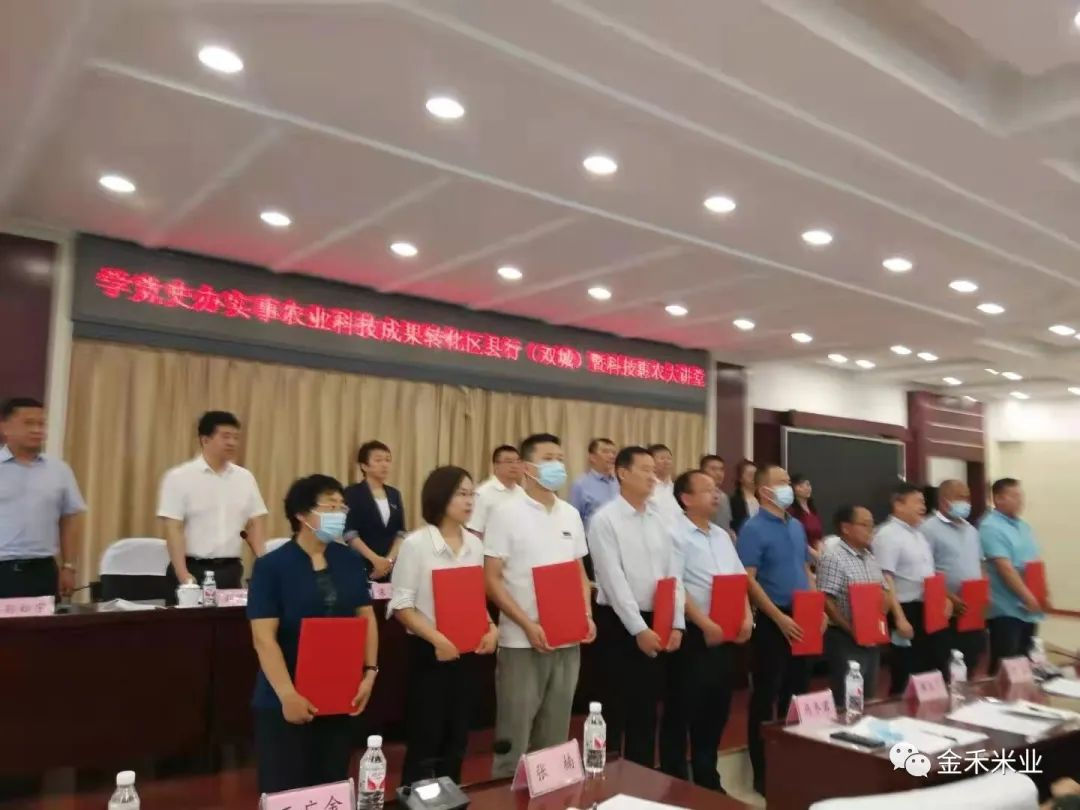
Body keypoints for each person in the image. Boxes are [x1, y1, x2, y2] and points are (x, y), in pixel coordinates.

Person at [247, 474, 379, 794]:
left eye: (341, 507)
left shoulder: (349, 561)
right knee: (287, 790)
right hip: (285, 698)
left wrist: (370, 672)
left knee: (330, 785)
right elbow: (264, 638)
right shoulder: (271, 566)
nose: (339, 513)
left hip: (339, 693)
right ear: (302, 515)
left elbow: (366, 618)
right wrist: (287, 695)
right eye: (329, 506)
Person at [483, 434, 595, 778]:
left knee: (555, 734)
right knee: (514, 735)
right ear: (527, 467)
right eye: (548, 458)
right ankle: (505, 796)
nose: (557, 465)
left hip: (567, 638)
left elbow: (579, 572)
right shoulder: (505, 513)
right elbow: (491, 579)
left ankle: (550, 798)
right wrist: (527, 625)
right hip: (522, 641)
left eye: (560, 458)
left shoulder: (570, 514)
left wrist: (587, 615)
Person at [390, 466, 498, 785]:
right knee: (426, 736)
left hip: (467, 651)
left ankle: (450, 796)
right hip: (429, 652)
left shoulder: (475, 545)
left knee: (458, 736)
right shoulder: (416, 544)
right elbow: (401, 605)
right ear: (440, 497)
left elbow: (475, 598)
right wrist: (437, 639)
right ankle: (416, 799)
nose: (469, 501)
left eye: (472, 494)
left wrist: (491, 626)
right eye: (461, 494)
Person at [588, 446, 684, 769]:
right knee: (614, 710)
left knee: (646, 712)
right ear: (622, 473)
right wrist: (638, 629)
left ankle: (641, 784)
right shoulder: (605, 520)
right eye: (645, 469)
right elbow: (613, 581)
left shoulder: (661, 519)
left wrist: (677, 622)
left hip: (658, 621)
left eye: (653, 470)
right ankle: (605, 786)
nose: (652, 476)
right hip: (619, 624)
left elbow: (674, 573)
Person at [663, 470, 752, 791]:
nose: (716, 495)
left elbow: (739, 579)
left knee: (717, 708)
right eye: (707, 490)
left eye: (716, 489)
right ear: (686, 498)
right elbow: (675, 585)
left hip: (726, 632)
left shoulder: (722, 536)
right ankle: (674, 781)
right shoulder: (674, 534)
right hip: (692, 633)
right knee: (683, 708)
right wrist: (704, 623)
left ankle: (707, 777)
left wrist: (746, 617)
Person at [735, 464, 816, 796]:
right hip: (772, 619)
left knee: (798, 693)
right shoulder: (752, 528)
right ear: (764, 490)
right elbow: (748, 579)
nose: (789, 487)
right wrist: (778, 617)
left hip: (803, 615)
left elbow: (805, 568)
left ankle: (792, 765)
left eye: (789, 481)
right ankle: (763, 773)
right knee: (766, 694)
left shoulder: (795, 526)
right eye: (782, 482)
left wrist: (815, 605)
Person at [158, 411, 267, 601]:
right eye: (225, 436)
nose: (232, 442)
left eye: (236, 437)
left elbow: (253, 524)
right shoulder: (178, 477)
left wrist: (265, 565)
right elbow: (174, 529)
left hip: (230, 571)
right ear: (205, 440)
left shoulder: (245, 478)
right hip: (191, 569)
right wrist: (183, 575)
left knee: (229, 620)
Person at [818, 505, 911, 708]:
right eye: (865, 525)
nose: (871, 530)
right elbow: (826, 599)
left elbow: (884, 589)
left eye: (872, 525)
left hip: (872, 635)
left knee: (868, 696)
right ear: (846, 528)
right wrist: (851, 630)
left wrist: (885, 601)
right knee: (848, 698)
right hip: (845, 637)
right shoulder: (833, 557)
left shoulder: (870, 557)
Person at [0, 397, 85, 599]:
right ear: (5, 427)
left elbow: (68, 520)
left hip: (43, 570)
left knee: (45, 620)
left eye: (41, 424)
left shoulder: (59, 470)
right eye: (29, 423)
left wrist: (68, 567)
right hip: (3, 567)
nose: (37, 430)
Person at [873, 482, 952, 695]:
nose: (923, 507)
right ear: (898, 504)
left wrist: (943, 599)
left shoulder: (918, 534)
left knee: (935, 666)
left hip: (929, 608)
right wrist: (899, 618)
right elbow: (885, 579)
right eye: (917, 502)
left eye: (924, 502)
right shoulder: (887, 535)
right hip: (906, 609)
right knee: (907, 671)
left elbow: (928, 573)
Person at [980, 478, 1046, 674]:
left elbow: (1034, 562)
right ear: (999, 499)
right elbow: (1005, 568)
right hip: (1006, 609)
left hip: (1029, 608)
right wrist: (1027, 596)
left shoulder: (1023, 526)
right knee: (1005, 665)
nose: (1021, 500)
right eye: (1015, 496)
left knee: (1025, 664)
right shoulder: (990, 527)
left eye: (1021, 495)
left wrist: (1043, 594)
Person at [921, 479, 986, 676]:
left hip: (972, 608)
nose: (966, 502)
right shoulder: (928, 528)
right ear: (944, 500)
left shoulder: (971, 530)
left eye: (967, 497)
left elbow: (979, 564)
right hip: (945, 608)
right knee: (946, 664)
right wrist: (948, 596)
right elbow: (925, 570)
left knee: (971, 660)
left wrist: (984, 595)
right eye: (960, 497)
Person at [343, 440, 406, 581]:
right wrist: (376, 560)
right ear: (364, 466)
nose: (385, 464)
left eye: (388, 460)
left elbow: (401, 532)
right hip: (362, 564)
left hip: (391, 567)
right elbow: (350, 533)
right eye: (378, 460)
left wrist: (388, 562)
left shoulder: (394, 494)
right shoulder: (352, 493)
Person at [468, 445, 523, 538]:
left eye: (518, 461)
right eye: (509, 462)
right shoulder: (483, 493)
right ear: (496, 465)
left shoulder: (522, 492)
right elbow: (475, 530)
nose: (515, 466)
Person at [568, 438, 618, 530]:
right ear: (592, 457)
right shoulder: (580, 485)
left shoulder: (620, 483)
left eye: (614, 453)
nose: (611, 456)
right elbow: (573, 519)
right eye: (605, 451)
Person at [789, 474, 824, 559]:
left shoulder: (813, 510)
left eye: (808, 484)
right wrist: (814, 554)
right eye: (800, 486)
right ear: (793, 489)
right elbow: (794, 538)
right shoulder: (790, 511)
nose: (806, 488)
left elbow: (818, 536)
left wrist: (819, 553)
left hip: (817, 556)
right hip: (800, 556)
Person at [647, 443, 681, 527]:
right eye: (662, 458)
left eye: (669, 458)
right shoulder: (646, 487)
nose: (666, 462)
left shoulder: (677, 488)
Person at [699, 454, 733, 535]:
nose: (718, 473)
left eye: (721, 469)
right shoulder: (697, 495)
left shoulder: (724, 497)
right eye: (713, 469)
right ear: (702, 471)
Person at [729, 459, 759, 533]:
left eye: (756, 475)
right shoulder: (733, 501)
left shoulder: (762, 500)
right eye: (750, 474)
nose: (753, 478)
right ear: (740, 478)